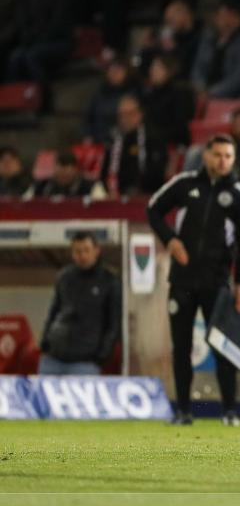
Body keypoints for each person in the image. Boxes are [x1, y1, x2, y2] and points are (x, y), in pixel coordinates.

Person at [146, 134, 240, 427]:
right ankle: (183, 411)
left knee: (223, 347)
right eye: (217, 155)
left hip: (217, 283)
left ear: (233, 160)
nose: (222, 161)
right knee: (181, 348)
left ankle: (230, 411)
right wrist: (170, 240)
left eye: (228, 156)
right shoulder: (184, 185)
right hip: (181, 281)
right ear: (206, 155)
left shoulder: (239, 195)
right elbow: (153, 209)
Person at [39, 232, 121, 375]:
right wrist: (45, 341)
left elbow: (114, 324)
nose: (82, 255)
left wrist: (101, 356)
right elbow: (54, 312)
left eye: (86, 250)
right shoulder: (64, 277)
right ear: (72, 253)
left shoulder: (110, 281)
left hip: (85, 362)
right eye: (77, 251)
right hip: (53, 358)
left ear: (96, 251)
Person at [6, 0, 72, 100]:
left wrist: (37, 39)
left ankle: (44, 97)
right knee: (15, 57)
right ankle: (18, 98)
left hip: (59, 42)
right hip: (35, 41)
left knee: (32, 56)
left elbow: (58, 24)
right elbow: (23, 20)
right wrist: (28, 37)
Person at [100, 95, 167, 198]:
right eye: (121, 115)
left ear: (140, 114)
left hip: (145, 197)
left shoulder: (153, 138)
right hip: (116, 196)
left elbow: (157, 173)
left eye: (130, 114)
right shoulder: (113, 139)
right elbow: (105, 172)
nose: (125, 119)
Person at [190, 1, 240, 99]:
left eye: (225, 15)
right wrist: (199, 88)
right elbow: (198, 66)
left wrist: (211, 93)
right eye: (219, 15)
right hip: (203, 93)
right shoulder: (209, 37)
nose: (219, 18)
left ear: (237, 17)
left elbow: (238, 77)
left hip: (230, 96)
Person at [26, 150, 105, 199]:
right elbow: (25, 205)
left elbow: (101, 207)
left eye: (67, 176)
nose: (63, 178)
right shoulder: (40, 186)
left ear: (76, 171)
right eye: (60, 176)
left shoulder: (92, 187)